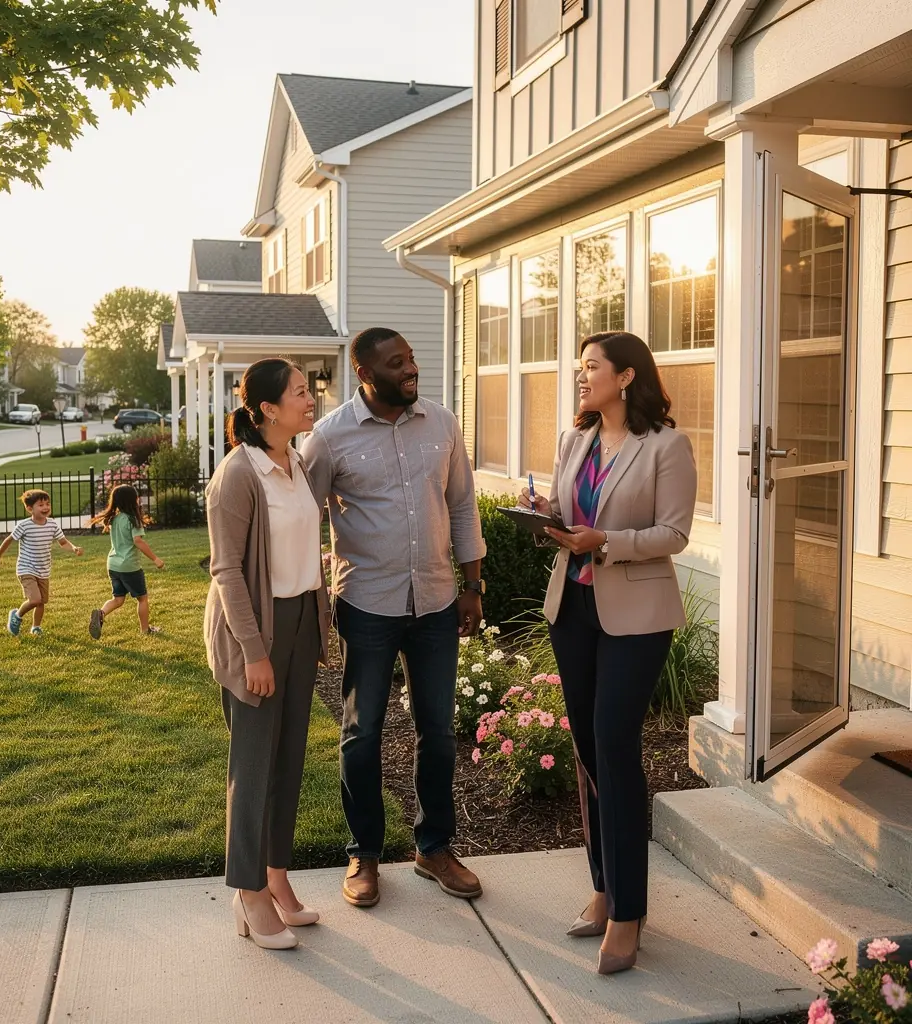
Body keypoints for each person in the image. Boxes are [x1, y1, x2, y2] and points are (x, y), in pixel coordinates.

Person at [516, 331, 697, 975]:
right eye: (578, 366)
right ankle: (603, 887)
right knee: (589, 753)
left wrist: (605, 540)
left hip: (637, 617)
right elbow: (570, 519)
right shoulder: (576, 440)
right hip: (574, 611)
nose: (580, 375)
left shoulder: (666, 446)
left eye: (590, 367)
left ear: (626, 377)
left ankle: (628, 914)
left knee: (615, 747)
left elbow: (673, 533)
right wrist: (546, 516)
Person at [302, 327, 487, 909]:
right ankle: (365, 854)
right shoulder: (328, 440)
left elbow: (461, 504)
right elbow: (303, 523)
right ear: (364, 374)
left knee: (437, 732)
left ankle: (434, 849)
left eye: (411, 358)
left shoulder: (442, 423)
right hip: (367, 605)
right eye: (396, 363)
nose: (411, 369)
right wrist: (313, 610)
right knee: (362, 735)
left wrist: (473, 584)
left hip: (434, 601)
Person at [204, 357, 331, 952]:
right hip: (256, 629)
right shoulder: (239, 473)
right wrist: (254, 651)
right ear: (267, 410)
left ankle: (276, 877)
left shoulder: (295, 462)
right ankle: (248, 893)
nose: (312, 399)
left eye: (310, 390)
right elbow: (227, 569)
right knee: (252, 767)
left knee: (288, 761)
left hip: (301, 622)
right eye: (301, 392)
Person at [0, 489, 83, 636]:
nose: (45, 507)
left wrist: (73, 548)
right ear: (29, 509)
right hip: (26, 568)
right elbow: (9, 540)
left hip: (44, 569)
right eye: (41, 505)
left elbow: (63, 542)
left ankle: (36, 627)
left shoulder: (52, 524)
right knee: (34, 599)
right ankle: (17, 616)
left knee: (41, 602)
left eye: (47, 504)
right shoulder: (24, 525)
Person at [88, 484, 165, 639]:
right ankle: (145, 630)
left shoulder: (114, 519)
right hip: (129, 566)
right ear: (132, 500)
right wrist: (156, 559)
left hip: (113, 565)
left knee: (118, 599)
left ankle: (101, 614)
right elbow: (138, 541)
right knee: (142, 598)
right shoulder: (133, 520)